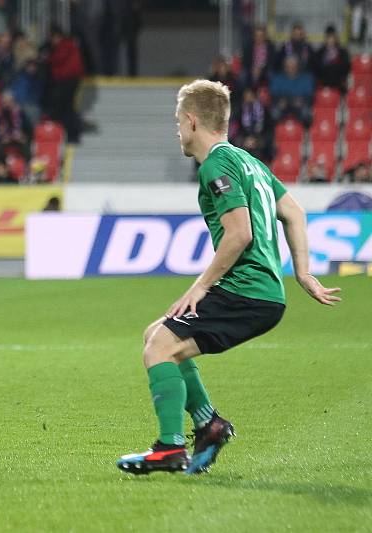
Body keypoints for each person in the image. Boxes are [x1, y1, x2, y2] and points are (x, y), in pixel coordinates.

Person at [116, 80, 341, 476]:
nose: (177, 130)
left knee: (158, 350)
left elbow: (240, 234)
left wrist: (199, 287)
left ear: (190, 121)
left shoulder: (216, 166)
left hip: (247, 292)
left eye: (177, 121)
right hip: (263, 293)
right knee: (157, 334)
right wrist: (302, 272)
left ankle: (170, 448)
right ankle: (209, 425)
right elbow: (295, 213)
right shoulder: (249, 162)